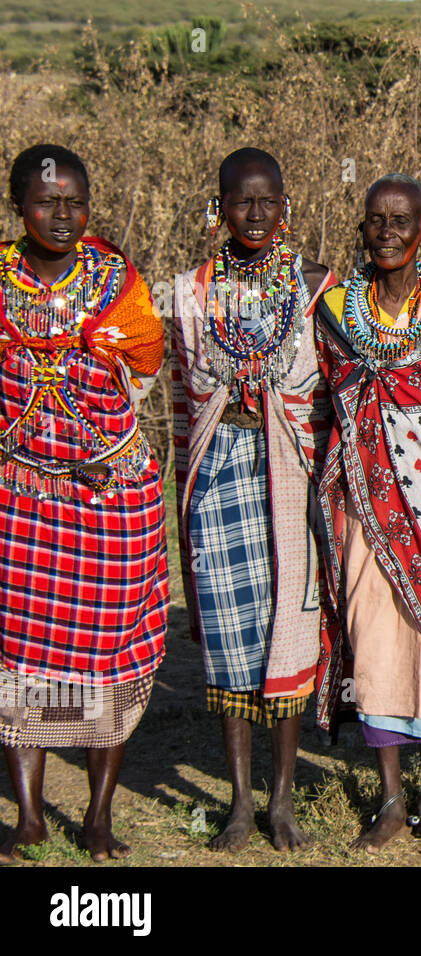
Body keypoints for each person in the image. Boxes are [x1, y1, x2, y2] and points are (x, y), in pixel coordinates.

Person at [0, 145, 169, 862]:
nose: (62, 215)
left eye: (75, 202)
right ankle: (31, 818)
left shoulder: (114, 281)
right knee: (23, 654)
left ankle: (98, 817)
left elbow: (146, 361)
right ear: (18, 208)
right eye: (46, 202)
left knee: (107, 652)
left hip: (109, 495)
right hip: (22, 496)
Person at [172, 148, 336, 852]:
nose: (257, 214)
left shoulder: (317, 288)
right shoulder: (187, 293)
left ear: (287, 207)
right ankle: (239, 803)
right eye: (242, 201)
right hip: (220, 478)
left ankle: (282, 802)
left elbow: (334, 399)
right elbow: (184, 405)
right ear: (220, 209)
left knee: (289, 630)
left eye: (269, 201)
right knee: (231, 643)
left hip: (291, 477)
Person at [314, 174, 421, 854]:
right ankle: (389, 800)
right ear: (362, 230)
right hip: (364, 503)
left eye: (401, 219)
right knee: (375, 638)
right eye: (376, 219)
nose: (387, 230)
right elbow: (328, 403)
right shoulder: (333, 312)